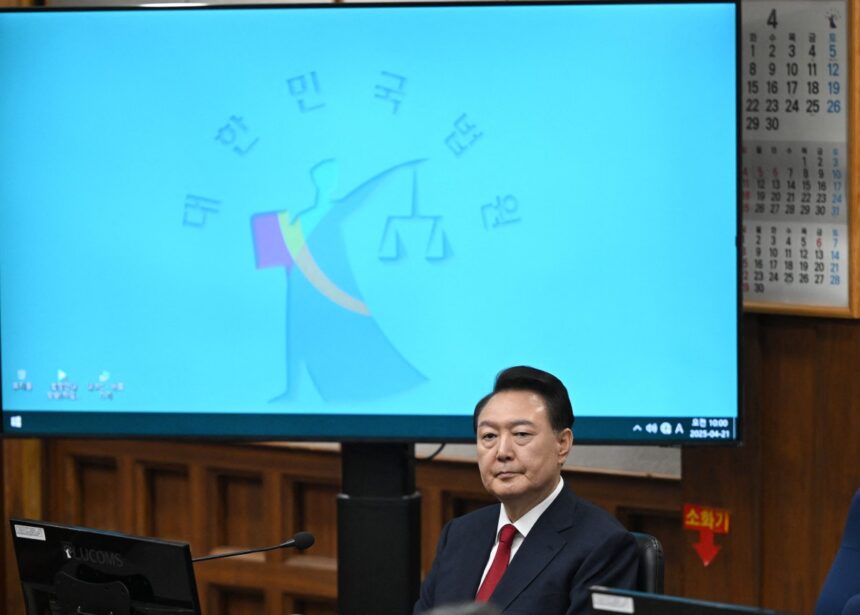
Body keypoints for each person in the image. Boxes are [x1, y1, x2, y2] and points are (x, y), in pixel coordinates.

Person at [414, 366, 639, 614]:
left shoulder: (603, 545)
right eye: (489, 436)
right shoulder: (459, 533)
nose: (502, 452)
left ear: (562, 444)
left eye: (521, 434)